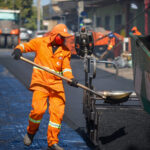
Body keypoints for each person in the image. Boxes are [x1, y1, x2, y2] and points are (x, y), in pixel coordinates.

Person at [12, 24, 78, 150]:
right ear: (54, 34)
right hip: (40, 82)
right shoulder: (40, 42)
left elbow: (66, 69)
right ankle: (31, 133)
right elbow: (25, 46)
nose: (63, 39)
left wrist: (71, 79)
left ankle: (52, 142)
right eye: (61, 36)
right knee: (38, 110)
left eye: (65, 37)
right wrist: (18, 50)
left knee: (57, 113)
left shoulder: (65, 51)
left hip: (56, 85)